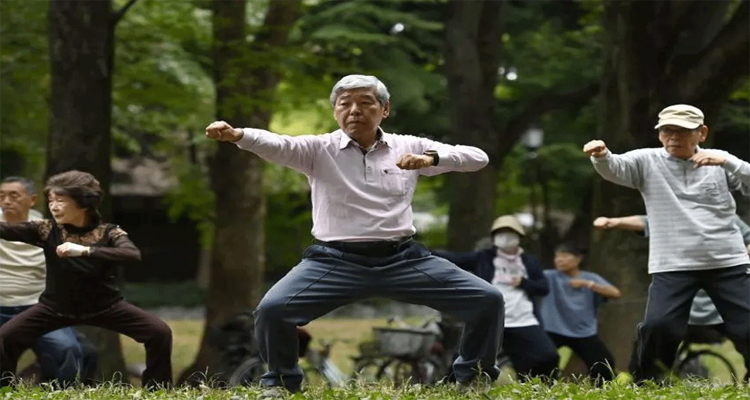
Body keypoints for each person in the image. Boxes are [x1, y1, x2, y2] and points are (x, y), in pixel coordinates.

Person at [205, 74, 504, 395]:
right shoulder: (318, 150)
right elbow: (279, 144)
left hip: (402, 259)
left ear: (384, 109)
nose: (354, 110)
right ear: (335, 112)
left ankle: (473, 378)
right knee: (273, 310)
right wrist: (239, 135)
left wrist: (431, 158)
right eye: (344, 104)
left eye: (365, 103)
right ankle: (280, 383)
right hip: (336, 260)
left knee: (487, 300)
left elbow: (478, 158)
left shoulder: (408, 146)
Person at [583, 104, 750, 383]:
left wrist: (728, 162)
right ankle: (647, 383)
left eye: (682, 131)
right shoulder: (647, 160)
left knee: (747, 327)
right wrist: (601, 156)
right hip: (673, 263)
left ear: (701, 133)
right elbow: (616, 167)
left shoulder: (720, 161)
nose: (673, 137)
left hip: (727, 260)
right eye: (667, 131)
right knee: (659, 326)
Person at [0, 170, 173, 389]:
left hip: (106, 306)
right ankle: (4, 390)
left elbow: (131, 254)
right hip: (55, 308)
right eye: (51, 200)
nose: (53, 206)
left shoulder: (109, 232)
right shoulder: (46, 230)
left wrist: (84, 250)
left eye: (60, 200)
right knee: (6, 337)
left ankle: (157, 390)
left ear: (83, 203)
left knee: (159, 332)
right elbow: (5, 229)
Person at [433, 215, 560, 381]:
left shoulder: (529, 261)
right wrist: (421, 252)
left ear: (519, 237)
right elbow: (452, 258)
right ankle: (449, 386)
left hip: (523, 320)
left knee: (548, 356)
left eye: (510, 233)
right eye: (501, 233)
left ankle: (537, 387)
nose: (505, 237)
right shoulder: (483, 257)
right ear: (493, 237)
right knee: (465, 358)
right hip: (490, 320)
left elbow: (543, 288)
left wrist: (523, 283)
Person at [0, 176, 87, 385]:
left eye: (13, 196)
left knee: (67, 349)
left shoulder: (52, 231)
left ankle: (56, 394)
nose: (6, 201)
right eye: (1, 196)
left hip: (38, 309)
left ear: (32, 200)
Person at [540, 243, 621, 383]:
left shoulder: (590, 278)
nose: (559, 260)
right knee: (541, 359)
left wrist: (588, 284)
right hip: (553, 329)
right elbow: (529, 279)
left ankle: (601, 391)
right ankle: (541, 389)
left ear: (578, 259)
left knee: (603, 364)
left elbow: (615, 293)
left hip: (583, 331)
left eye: (564, 256)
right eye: (557, 257)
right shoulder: (549, 276)